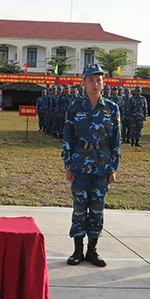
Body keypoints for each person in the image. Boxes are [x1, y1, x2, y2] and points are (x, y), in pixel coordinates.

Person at [62, 63, 120, 267]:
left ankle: (92, 250)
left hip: (102, 166)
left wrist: (113, 167)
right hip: (79, 165)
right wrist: (68, 165)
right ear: (84, 82)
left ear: (103, 82)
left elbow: (115, 140)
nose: (95, 84)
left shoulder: (112, 108)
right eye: (91, 80)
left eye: (99, 80)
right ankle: (77, 250)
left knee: (97, 209)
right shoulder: (75, 107)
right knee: (80, 208)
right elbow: (67, 137)